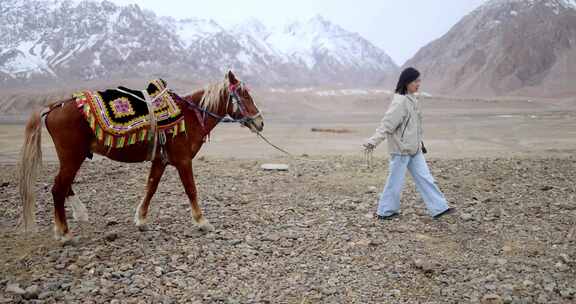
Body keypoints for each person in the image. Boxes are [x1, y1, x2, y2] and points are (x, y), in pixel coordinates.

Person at [363, 67, 454, 220]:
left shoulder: (412, 99)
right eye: (415, 81)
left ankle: (440, 208)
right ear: (406, 82)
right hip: (401, 150)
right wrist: (373, 141)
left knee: (426, 178)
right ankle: (385, 212)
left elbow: (413, 127)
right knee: (395, 182)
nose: (418, 84)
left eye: (419, 81)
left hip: (415, 149)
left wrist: (420, 144)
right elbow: (387, 124)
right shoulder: (400, 102)